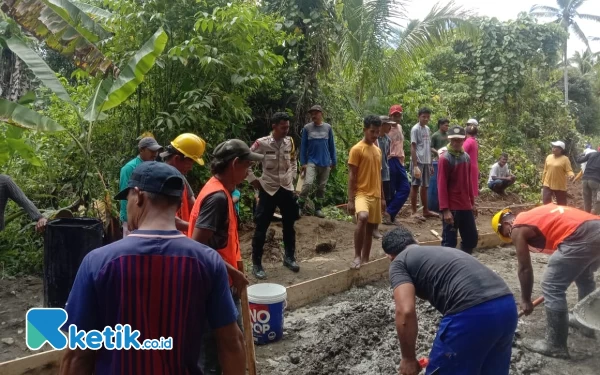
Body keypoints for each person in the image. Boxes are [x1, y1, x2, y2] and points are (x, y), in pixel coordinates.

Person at [59, 162, 245, 374]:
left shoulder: (98, 262)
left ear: (138, 196)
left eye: (127, 197)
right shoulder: (207, 261)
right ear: (177, 204)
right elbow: (231, 343)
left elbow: (78, 354)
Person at [383, 227, 517, 375]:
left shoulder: (399, 262)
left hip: (472, 313)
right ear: (415, 241)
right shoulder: (442, 251)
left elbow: (405, 311)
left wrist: (408, 359)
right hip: (506, 306)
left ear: (390, 256)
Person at [188, 139, 262, 374]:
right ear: (235, 164)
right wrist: (233, 273)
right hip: (211, 285)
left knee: (229, 345)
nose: (249, 171)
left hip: (220, 280)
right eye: (247, 166)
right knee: (217, 352)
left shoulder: (220, 191)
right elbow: (196, 246)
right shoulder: (217, 197)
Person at [492, 204, 600, 358]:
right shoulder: (533, 216)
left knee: (552, 285)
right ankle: (585, 325)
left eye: (506, 234)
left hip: (579, 235)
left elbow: (524, 268)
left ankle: (555, 345)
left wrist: (526, 300)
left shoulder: (517, 227)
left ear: (506, 224)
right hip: (595, 227)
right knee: (585, 277)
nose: (511, 238)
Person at [248, 112, 301, 279]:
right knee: (261, 228)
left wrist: (292, 175)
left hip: (286, 188)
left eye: (288, 127)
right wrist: (252, 180)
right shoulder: (261, 144)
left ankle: (289, 258)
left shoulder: (289, 141)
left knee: (289, 225)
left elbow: (293, 160)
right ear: (274, 126)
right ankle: (256, 264)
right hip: (268, 189)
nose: (286, 130)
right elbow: (246, 162)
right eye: (283, 127)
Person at [348, 115, 385, 269]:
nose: (375, 135)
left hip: (375, 194)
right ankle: (357, 256)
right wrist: (350, 199)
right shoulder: (357, 149)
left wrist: (383, 197)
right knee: (362, 217)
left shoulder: (378, 150)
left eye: (377, 132)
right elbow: (351, 176)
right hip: (361, 193)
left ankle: (365, 259)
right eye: (372, 131)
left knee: (370, 229)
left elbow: (379, 175)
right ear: (365, 130)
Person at [437, 126, 478, 254]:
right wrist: (445, 210)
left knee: (471, 239)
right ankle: (447, 270)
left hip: (465, 205)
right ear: (449, 140)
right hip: (452, 207)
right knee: (449, 242)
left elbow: (468, 182)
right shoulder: (445, 158)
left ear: (463, 140)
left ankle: (464, 264)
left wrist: (472, 202)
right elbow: (441, 185)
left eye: (459, 140)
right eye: (453, 140)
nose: (456, 143)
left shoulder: (465, 157)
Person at [160, 133, 207, 233]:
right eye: (190, 162)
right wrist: (198, 228)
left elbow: (193, 203)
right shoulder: (160, 180)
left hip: (181, 237)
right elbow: (167, 218)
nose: (191, 167)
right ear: (177, 159)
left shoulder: (180, 177)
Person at [119, 136, 162, 236]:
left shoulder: (156, 166)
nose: (155, 154)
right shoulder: (129, 168)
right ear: (141, 150)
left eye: (156, 151)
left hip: (151, 217)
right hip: (134, 217)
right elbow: (126, 195)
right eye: (151, 150)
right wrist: (128, 218)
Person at [299, 105, 337, 218]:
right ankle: (299, 206)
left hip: (325, 162)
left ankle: (318, 208)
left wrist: (334, 161)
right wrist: (303, 163)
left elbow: (331, 145)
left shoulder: (328, 128)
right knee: (308, 183)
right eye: (312, 113)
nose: (313, 115)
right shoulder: (307, 128)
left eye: (316, 113)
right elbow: (303, 146)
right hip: (311, 161)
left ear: (321, 113)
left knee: (322, 187)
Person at [410, 107, 437, 221]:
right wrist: (415, 165)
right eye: (423, 117)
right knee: (415, 185)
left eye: (427, 117)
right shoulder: (415, 129)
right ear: (419, 117)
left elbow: (427, 147)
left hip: (426, 161)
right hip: (418, 161)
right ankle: (414, 211)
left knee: (425, 186)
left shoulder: (427, 129)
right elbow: (413, 147)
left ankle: (425, 210)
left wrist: (430, 163)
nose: (426, 119)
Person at [384, 104, 410, 225]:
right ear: (390, 115)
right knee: (391, 189)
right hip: (390, 159)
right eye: (394, 115)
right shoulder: (386, 129)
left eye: (398, 115)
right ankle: (389, 216)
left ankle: (389, 212)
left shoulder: (399, 127)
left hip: (399, 160)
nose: (396, 117)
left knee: (405, 188)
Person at [373, 115, 393, 239]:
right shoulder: (375, 140)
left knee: (383, 199)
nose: (390, 127)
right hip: (376, 172)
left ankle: (376, 225)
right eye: (387, 124)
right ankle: (374, 228)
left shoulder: (387, 139)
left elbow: (387, 155)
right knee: (377, 198)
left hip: (385, 172)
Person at [541, 141, 574, 205]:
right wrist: (543, 181)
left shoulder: (565, 159)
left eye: (555, 147)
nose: (553, 149)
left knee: (561, 204)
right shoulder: (549, 157)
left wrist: (571, 175)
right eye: (553, 147)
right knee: (546, 202)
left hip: (559, 185)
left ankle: (561, 215)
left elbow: (569, 170)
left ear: (561, 150)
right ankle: (548, 214)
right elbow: (545, 170)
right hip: (547, 183)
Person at [576, 148, 600, 213]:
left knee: (587, 200)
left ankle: (586, 215)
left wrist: (581, 154)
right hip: (596, 181)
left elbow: (578, 160)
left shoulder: (591, 154)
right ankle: (594, 217)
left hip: (585, 180)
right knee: (597, 200)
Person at [463, 125, 480, 198]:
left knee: (467, 184)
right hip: (474, 165)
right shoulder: (474, 141)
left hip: (468, 166)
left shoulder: (468, 141)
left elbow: (462, 153)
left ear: (466, 133)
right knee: (472, 184)